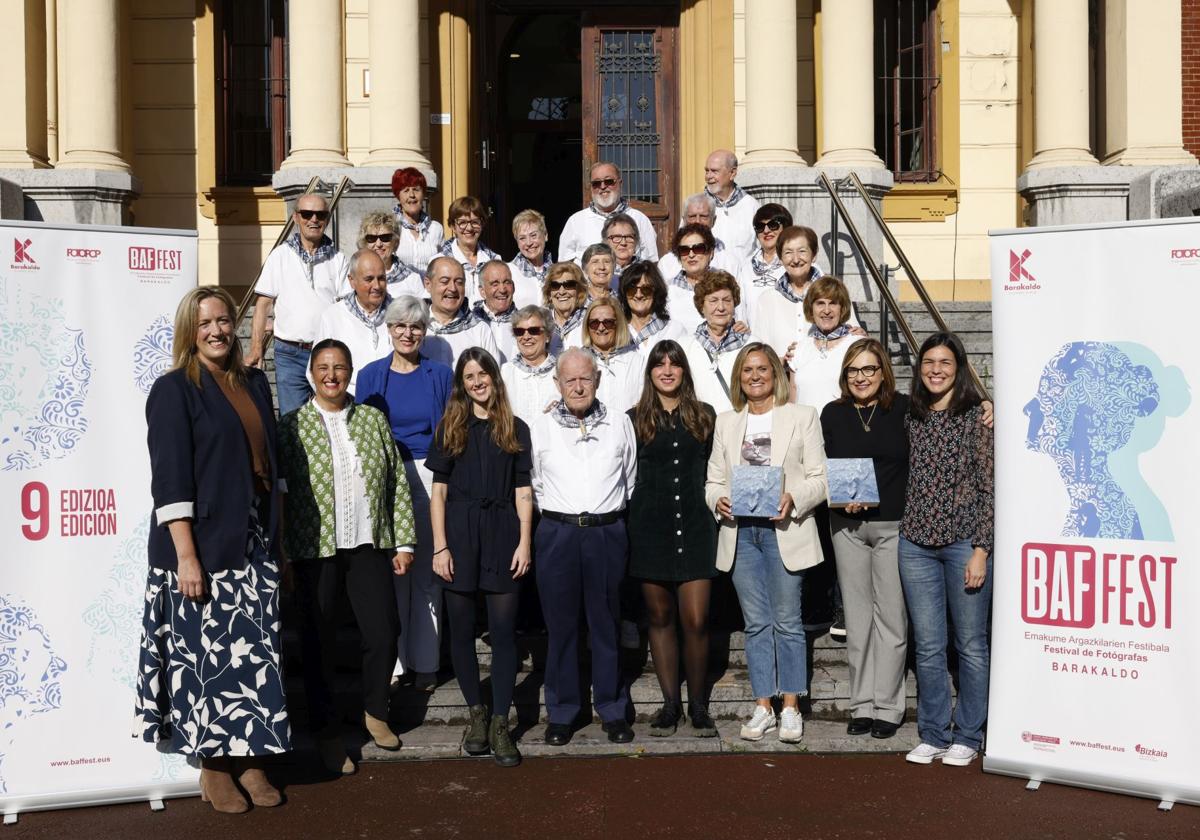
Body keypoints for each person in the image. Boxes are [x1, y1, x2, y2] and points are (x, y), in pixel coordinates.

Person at [137, 287, 289, 814]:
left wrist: (279, 545)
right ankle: (214, 766)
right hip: (200, 547)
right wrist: (186, 556)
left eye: (225, 320)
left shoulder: (250, 381)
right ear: (189, 331)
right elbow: (171, 481)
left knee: (253, 657)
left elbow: (272, 466)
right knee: (204, 660)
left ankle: (250, 758)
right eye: (206, 323)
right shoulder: (174, 390)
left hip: (251, 540)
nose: (218, 331)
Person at [278, 339, 416, 775]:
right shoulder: (291, 426)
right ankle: (327, 731)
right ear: (311, 373)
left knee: (383, 630)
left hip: (368, 544)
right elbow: (279, 495)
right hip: (313, 548)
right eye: (323, 367)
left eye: (339, 367)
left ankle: (375, 711)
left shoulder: (372, 420)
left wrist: (405, 542)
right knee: (318, 640)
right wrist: (281, 550)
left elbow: (396, 482)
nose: (331, 375)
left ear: (350, 372)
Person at [705, 343, 827, 745]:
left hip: (783, 531)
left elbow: (820, 477)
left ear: (775, 374)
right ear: (738, 378)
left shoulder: (802, 417)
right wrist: (717, 500)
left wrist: (794, 496)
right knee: (756, 624)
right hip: (742, 534)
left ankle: (791, 707)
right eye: (747, 370)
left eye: (762, 369)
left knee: (788, 623)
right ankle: (764, 707)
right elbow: (713, 481)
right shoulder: (726, 423)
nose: (755, 376)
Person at [427, 348, 534, 768]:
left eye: (483, 373)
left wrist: (525, 542)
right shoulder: (450, 427)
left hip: (504, 533)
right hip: (458, 534)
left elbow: (524, 490)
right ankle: (477, 715)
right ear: (462, 383)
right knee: (461, 633)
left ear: (494, 377)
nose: (477, 381)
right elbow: (438, 493)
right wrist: (440, 546)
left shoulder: (516, 428)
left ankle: (501, 723)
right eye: (469, 376)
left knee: (505, 634)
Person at [530, 348, 638, 745]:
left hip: (606, 532)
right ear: (557, 384)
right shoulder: (540, 428)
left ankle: (612, 708)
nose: (578, 386)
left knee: (606, 624)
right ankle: (562, 711)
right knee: (560, 627)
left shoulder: (619, 424)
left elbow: (629, 478)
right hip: (557, 533)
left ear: (597, 380)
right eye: (569, 379)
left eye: (585, 378)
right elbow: (534, 483)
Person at [901, 332, 994, 767]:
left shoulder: (978, 416)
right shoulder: (911, 414)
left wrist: (981, 548)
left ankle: (970, 734)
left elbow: (987, 485)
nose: (936, 370)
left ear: (959, 368)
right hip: (915, 543)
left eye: (944, 363)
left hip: (962, 544)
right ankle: (934, 732)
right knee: (929, 645)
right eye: (928, 363)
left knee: (971, 644)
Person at [356, 295, 455, 692]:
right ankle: (395, 665)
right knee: (394, 573)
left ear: (425, 332)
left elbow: (450, 430)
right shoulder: (369, 375)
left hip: (429, 475)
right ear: (389, 329)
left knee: (430, 574)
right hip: (386, 479)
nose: (407, 333)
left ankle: (426, 663)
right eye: (400, 325)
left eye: (415, 326)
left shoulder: (440, 375)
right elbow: (362, 431)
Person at [627, 340, 719, 737]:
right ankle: (670, 705)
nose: (667, 370)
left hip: (697, 528)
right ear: (649, 372)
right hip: (650, 528)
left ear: (684, 370)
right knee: (660, 618)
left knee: (696, 619)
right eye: (659, 364)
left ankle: (698, 704)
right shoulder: (634, 419)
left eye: (675, 364)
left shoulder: (705, 416)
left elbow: (717, 470)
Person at [819, 339, 909, 740]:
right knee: (857, 619)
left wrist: (988, 405)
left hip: (893, 526)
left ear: (883, 372)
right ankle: (861, 704)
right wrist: (839, 500)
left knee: (890, 618)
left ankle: (888, 706)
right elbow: (822, 467)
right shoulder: (833, 414)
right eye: (853, 370)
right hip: (847, 528)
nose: (861, 377)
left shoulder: (903, 408)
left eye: (869, 369)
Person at [247, 192, 349, 415]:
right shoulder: (280, 256)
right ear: (296, 217)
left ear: (327, 218)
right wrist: (256, 348)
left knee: (331, 417)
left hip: (326, 354)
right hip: (290, 354)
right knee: (292, 423)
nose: (314, 219)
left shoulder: (338, 258)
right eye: (307, 213)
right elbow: (263, 304)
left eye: (320, 214)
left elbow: (345, 308)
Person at [754, 225, 862, 362]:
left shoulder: (834, 294)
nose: (796, 259)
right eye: (788, 253)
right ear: (780, 258)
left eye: (802, 251)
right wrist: (781, 362)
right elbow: (760, 350)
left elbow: (854, 337)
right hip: (782, 379)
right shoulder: (767, 299)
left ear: (814, 255)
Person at [315, 249, 393, 394]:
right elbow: (317, 370)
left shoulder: (399, 314)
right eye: (369, 279)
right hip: (350, 402)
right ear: (352, 281)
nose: (377, 286)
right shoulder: (333, 316)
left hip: (393, 397)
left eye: (381, 278)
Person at [680, 271, 753, 414]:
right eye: (713, 301)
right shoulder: (685, 346)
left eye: (727, 300)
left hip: (740, 426)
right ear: (702, 306)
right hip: (700, 428)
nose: (721, 307)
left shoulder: (751, 344)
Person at [559, 162, 659, 263]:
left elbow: (651, 263)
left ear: (620, 183)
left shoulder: (639, 219)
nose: (602, 187)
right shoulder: (575, 221)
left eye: (609, 181)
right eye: (596, 183)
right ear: (591, 187)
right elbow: (565, 265)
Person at [789, 276, 859, 409]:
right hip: (806, 428)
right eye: (820, 303)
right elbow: (793, 399)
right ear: (811, 308)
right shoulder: (799, 348)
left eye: (833, 303)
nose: (827, 310)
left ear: (842, 308)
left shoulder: (856, 346)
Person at [422, 255, 501, 367]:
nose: (453, 288)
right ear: (428, 284)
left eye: (459, 282)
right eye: (445, 281)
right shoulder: (413, 326)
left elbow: (492, 377)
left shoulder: (479, 329)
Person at [656, 193, 740, 281]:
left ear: (713, 220)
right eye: (692, 216)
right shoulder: (667, 263)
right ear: (684, 220)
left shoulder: (730, 263)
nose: (697, 221)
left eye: (704, 216)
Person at [581, 297, 643, 414]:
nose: (601, 328)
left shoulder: (637, 361)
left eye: (608, 322)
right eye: (594, 323)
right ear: (587, 327)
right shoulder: (577, 362)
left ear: (618, 324)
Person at [500, 304, 559, 426]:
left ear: (548, 336)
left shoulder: (561, 372)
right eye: (519, 332)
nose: (526, 337)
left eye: (534, 331)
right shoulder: (505, 373)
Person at [736, 203, 792, 328]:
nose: (766, 231)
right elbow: (740, 307)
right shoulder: (746, 268)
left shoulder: (797, 264)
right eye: (760, 227)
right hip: (755, 341)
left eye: (773, 225)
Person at [619, 261, 686, 362]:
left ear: (656, 293)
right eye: (632, 289)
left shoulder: (674, 329)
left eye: (646, 289)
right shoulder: (616, 330)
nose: (638, 295)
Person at [441, 196, 501, 303]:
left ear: (482, 224)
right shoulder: (440, 261)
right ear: (452, 226)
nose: (469, 228)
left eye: (475, 222)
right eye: (462, 222)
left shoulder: (494, 260)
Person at [705, 149, 761, 263]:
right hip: (707, 279)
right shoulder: (698, 207)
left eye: (715, 171)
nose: (708, 176)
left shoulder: (751, 206)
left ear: (732, 173)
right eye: (707, 171)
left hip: (741, 279)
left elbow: (762, 248)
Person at [355, 209, 424, 299]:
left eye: (385, 237)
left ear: (395, 242)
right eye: (371, 238)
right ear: (364, 243)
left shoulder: (412, 279)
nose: (379, 244)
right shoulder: (356, 277)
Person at [665, 223, 718, 334]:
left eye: (698, 248)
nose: (691, 255)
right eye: (684, 250)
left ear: (711, 253)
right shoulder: (667, 290)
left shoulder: (723, 285)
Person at [392, 166, 444, 275]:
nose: (412, 195)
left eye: (416, 189)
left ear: (423, 194)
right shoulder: (391, 227)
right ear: (398, 196)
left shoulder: (436, 228)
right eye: (406, 190)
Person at [472, 260, 519, 363]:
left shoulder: (524, 323)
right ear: (482, 291)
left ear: (514, 287)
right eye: (495, 284)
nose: (502, 289)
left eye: (507, 282)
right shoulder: (471, 323)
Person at [508, 209, 553, 308]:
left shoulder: (556, 272)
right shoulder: (509, 272)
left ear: (545, 235)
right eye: (522, 238)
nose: (529, 243)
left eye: (533, 235)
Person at [542, 261, 587, 353]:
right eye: (555, 286)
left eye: (569, 285)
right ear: (549, 293)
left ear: (579, 291)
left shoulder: (591, 320)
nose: (562, 292)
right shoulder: (540, 321)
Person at [602, 212, 641, 287]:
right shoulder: (597, 270)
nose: (623, 243)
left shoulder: (646, 271)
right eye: (616, 237)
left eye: (629, 237)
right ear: (605, 242)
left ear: (636, 241)